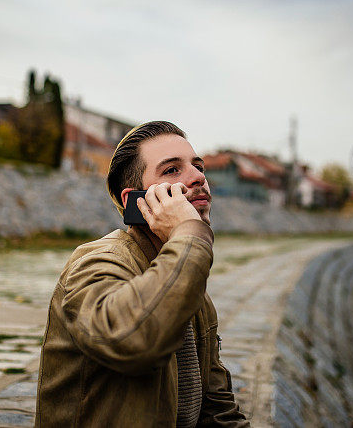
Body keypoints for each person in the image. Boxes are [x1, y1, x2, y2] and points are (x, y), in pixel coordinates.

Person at [35, 121, 250, 427]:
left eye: (197, 166)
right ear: (134, 201)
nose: (199, 177)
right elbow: (134, 340)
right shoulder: (95, 262)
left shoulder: (193, 289)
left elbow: (218, 410)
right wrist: (189, 233)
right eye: (172, 170)